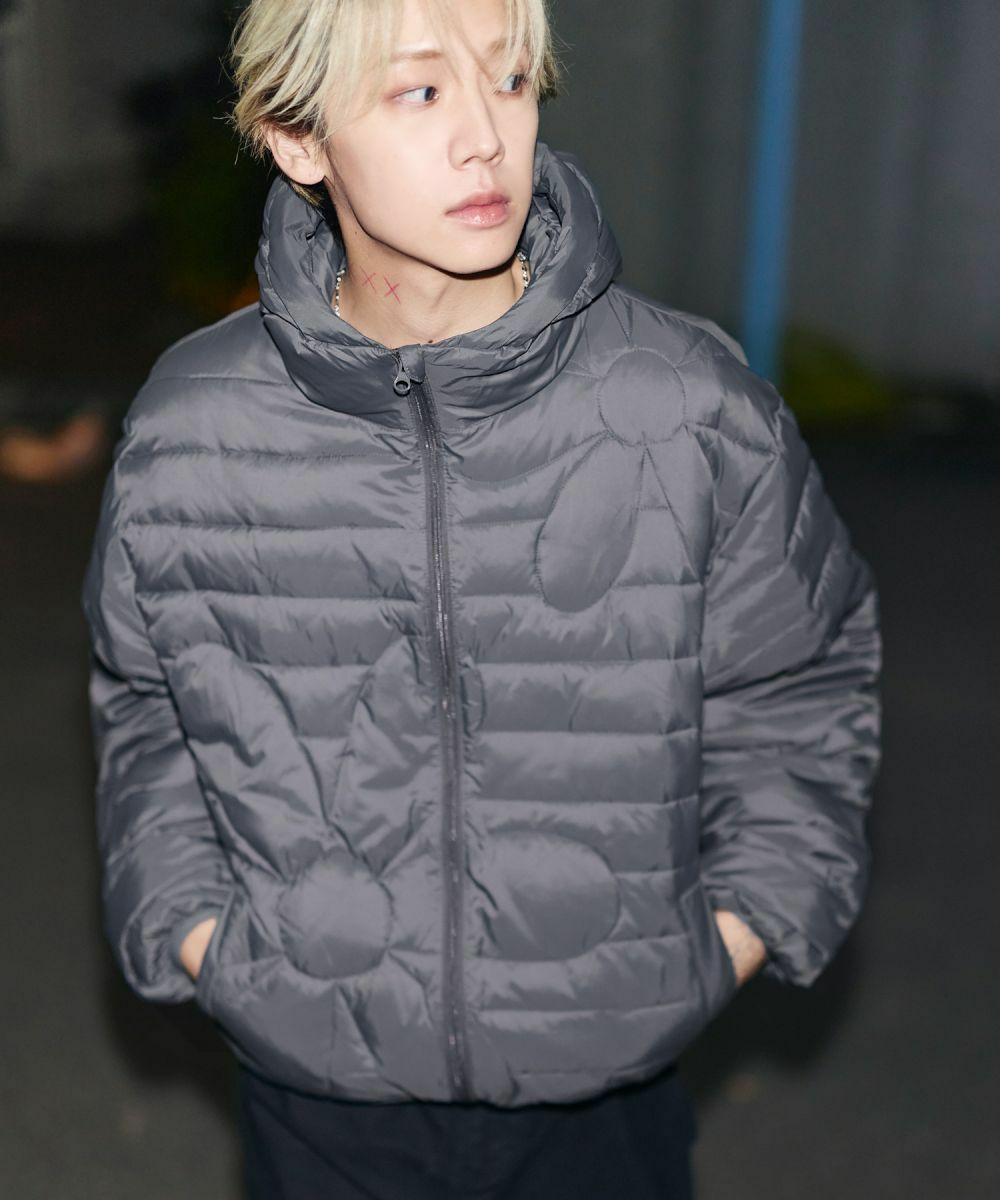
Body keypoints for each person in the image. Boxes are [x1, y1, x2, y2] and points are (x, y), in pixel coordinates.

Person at [80, 0, 883, 1195]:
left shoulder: (686, 404)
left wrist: (726, 941)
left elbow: (799, 684)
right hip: (317, 1091)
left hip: (605, 1091)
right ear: (298, 140)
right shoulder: (194, 428)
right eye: (419, 91)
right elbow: (148, 703)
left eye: (508, 81)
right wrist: (203, 938)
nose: (483, 138)